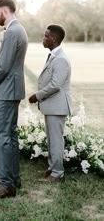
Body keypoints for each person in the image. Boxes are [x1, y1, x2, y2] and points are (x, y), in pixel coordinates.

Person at [0, 0, 28, 199]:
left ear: (4, 10)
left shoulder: (12, 31)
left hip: (7, 90)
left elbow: (3, 66)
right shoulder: (19, 30)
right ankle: (14, 178)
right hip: (12, 89)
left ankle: (6, 184)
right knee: (10, 135)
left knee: (2, 136)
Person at [29, 24, 72, 182]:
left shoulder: (61, 59)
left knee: (55, 140)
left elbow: (55, 85)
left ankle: (57, 173)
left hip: (57, 106)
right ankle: (52, 168)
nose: (44, 38)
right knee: (52, 139)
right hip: (52, 106)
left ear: (54, 39)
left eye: (46, 36)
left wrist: (37, 96)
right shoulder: (54, 55)